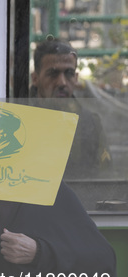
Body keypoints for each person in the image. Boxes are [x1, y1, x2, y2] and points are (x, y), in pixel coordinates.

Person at [30, 38, 111, 178]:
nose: (62, 82)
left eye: (69, 73)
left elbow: (104, 178)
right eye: (52, 74)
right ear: (35, 78)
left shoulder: (90, 123)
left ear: (76, 78)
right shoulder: (17, 118)